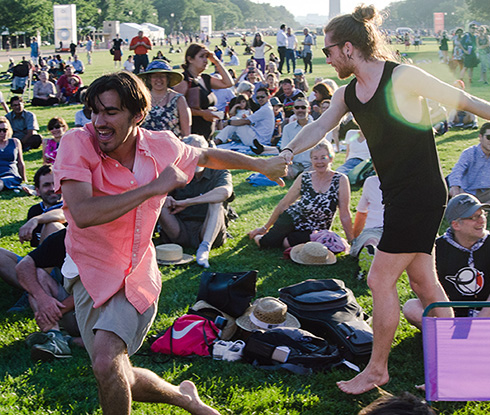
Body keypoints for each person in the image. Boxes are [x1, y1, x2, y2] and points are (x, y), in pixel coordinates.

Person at [279, 4, 490, 394]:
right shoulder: (348, 94)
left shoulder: (402, 76)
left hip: (421, 193)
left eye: (328, 50)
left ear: (348, 48)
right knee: (424, 283)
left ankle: (377, 369)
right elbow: (320, 125)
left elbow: (464, 101)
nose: (325, 57)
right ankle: (461, 353)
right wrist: (286, 153)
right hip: (396, 194)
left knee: (379, 278)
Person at [53, 71, 286, 415]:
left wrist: (261, 164)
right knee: (116, 371)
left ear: (138, 115)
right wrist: (153, 188)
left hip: (134, 273)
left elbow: (205, 156)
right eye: (94, 111)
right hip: (88, 272)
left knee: (105, 363)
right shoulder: (77, 142)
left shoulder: (161, 145)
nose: (99, 122)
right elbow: (84, 212)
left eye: (111, 112)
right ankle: (184, 399)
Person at [403, 193, 490, 327]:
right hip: (447, 313)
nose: (481, 221)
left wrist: (478, 322)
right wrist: (445, 317)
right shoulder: (437, 248)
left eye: (482, 214)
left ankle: (462, 334)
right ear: (456, 225)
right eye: (473, 217)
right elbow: (426, 287)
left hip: (486, 313)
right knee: (411, 307)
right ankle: (454, 331)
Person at [248, 140, 353, 249]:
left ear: (331, 158)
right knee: (267, 244)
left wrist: (351, 240)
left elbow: (344, 213)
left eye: (323, 157)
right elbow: (284, 204)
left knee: (287, 244)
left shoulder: (340, 179)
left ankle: (285, 238)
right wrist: (265, 228)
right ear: (311, 160)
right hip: (292, 218)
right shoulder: (305, 177)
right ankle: (259, 235)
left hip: (316, 230)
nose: (319, 162)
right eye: (315, 158)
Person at [158, 135, 234, 268]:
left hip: (208, 230)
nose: (197, 158)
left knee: (216, 201)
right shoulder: (174, 169)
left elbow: (224, 192)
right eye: (192, 153)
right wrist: (165, 198)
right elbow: (154, 193)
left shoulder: (218, 170)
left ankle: (204, 249)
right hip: (179, 229)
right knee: (158, 200)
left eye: (200, 153)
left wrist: (187, 202)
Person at [15, 228, 82, 361]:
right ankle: (54, 335)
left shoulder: (108, 239)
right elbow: (23, 266)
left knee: (110, 341)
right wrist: (43, 299)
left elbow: (97, 291)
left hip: (100, 312)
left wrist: (53, 310)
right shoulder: (64, 236)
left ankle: (67, 340)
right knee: (38, 275)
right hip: (70, 311)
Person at [173, 43, 235, 140]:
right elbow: (176, 107)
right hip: (192, 135)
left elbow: (228, 83)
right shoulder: (184, 80)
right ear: (190, 59)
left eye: (206, 57)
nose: (205, 60)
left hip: (207, 133)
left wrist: (216, 61)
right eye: (201, 56)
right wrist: (202, 113)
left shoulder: (205, 79)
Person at [138, 60, 191, 139]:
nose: (158, 79)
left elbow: (186, 134)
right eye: (155, 76)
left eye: (162, 76)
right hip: (146, 148)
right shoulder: (141, 100)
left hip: (172, 148)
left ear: (168, 78)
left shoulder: (179, 99)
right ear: (149, 79)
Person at [21, 165, 65, 248]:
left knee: (52, 226)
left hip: (68, 258)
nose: (53, 188)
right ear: (37, 191)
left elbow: (63, 213)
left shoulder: (72, 206)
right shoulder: (34, 211)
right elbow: (36, 246)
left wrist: (36, 219)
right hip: (41, 258)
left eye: (56, 183)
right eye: (46, 185)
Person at [279, 97, 314, 179]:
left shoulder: (316, 127)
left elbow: (322, 150)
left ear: (308, 109)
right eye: (297, 107)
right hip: (294, 165)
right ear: (293, 110)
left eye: (303, 107)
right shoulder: (288, 128)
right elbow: (284, 149)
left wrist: (314, 165)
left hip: (312, 165)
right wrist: (288, 166)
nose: (300, 110)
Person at [0, 116, 26, 192]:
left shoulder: (15, 142)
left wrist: (24, 179)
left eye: (5, 130)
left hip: (11, 175)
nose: (2, 133)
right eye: (0, 130)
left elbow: (20, 163)